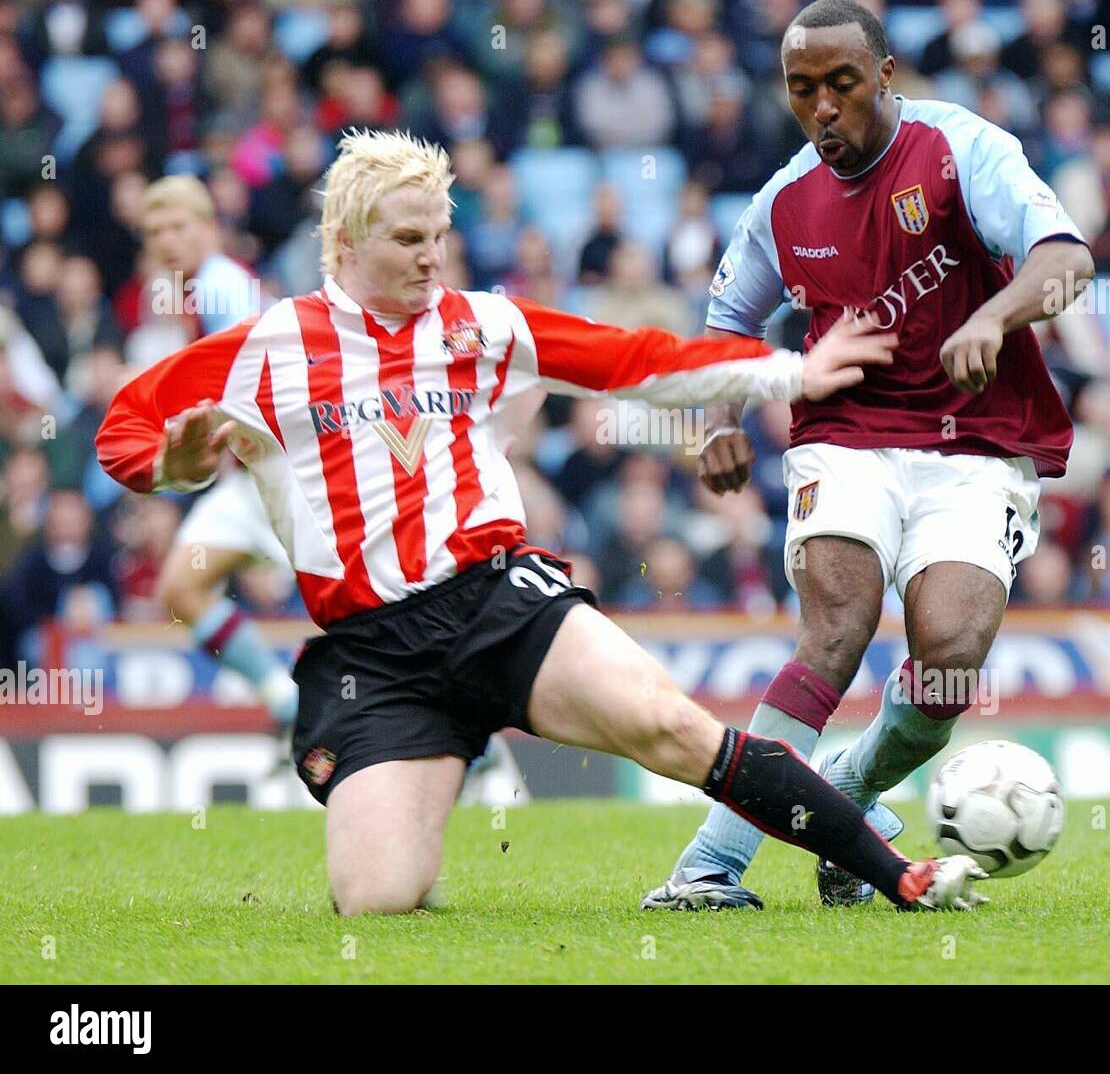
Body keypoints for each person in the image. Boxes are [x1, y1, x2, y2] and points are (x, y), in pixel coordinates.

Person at [96, 128, 991, 916]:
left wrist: (789, 372)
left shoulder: (481, 325)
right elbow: (122, 427)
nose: (430, 258)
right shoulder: (270, 346)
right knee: (375, 900)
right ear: (342, 241)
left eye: (439, 237)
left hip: (500, 603)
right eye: (408, 238)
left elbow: (636, 360)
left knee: (676, 732)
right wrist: (170, 471)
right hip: (375, 653)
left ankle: (897, 871)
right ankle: (447, 750)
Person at [643, 0, 1094, 911]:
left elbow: (1066, 258)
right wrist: (720, 419)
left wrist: (995, 314)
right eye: (801, 89)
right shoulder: (782, 201)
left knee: (949, 657)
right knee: (837, 625)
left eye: (841, 84)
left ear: (885, 74)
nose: (822, 109)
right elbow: (728, 322)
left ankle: (845, 798)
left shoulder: (962, 148)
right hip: (843, 437)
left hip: (974, 444)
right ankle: (710, 865)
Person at [140, 175, 297, 727]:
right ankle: (289, 704)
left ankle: (475, 748)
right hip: (251, 476)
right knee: (182, 586)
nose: (167, 241)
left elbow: (252, 383)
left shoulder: (221, 286)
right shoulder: (203, 290)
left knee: (374, 611)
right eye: (156, 231)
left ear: (209, 228)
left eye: (179, 226)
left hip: (287, 470)